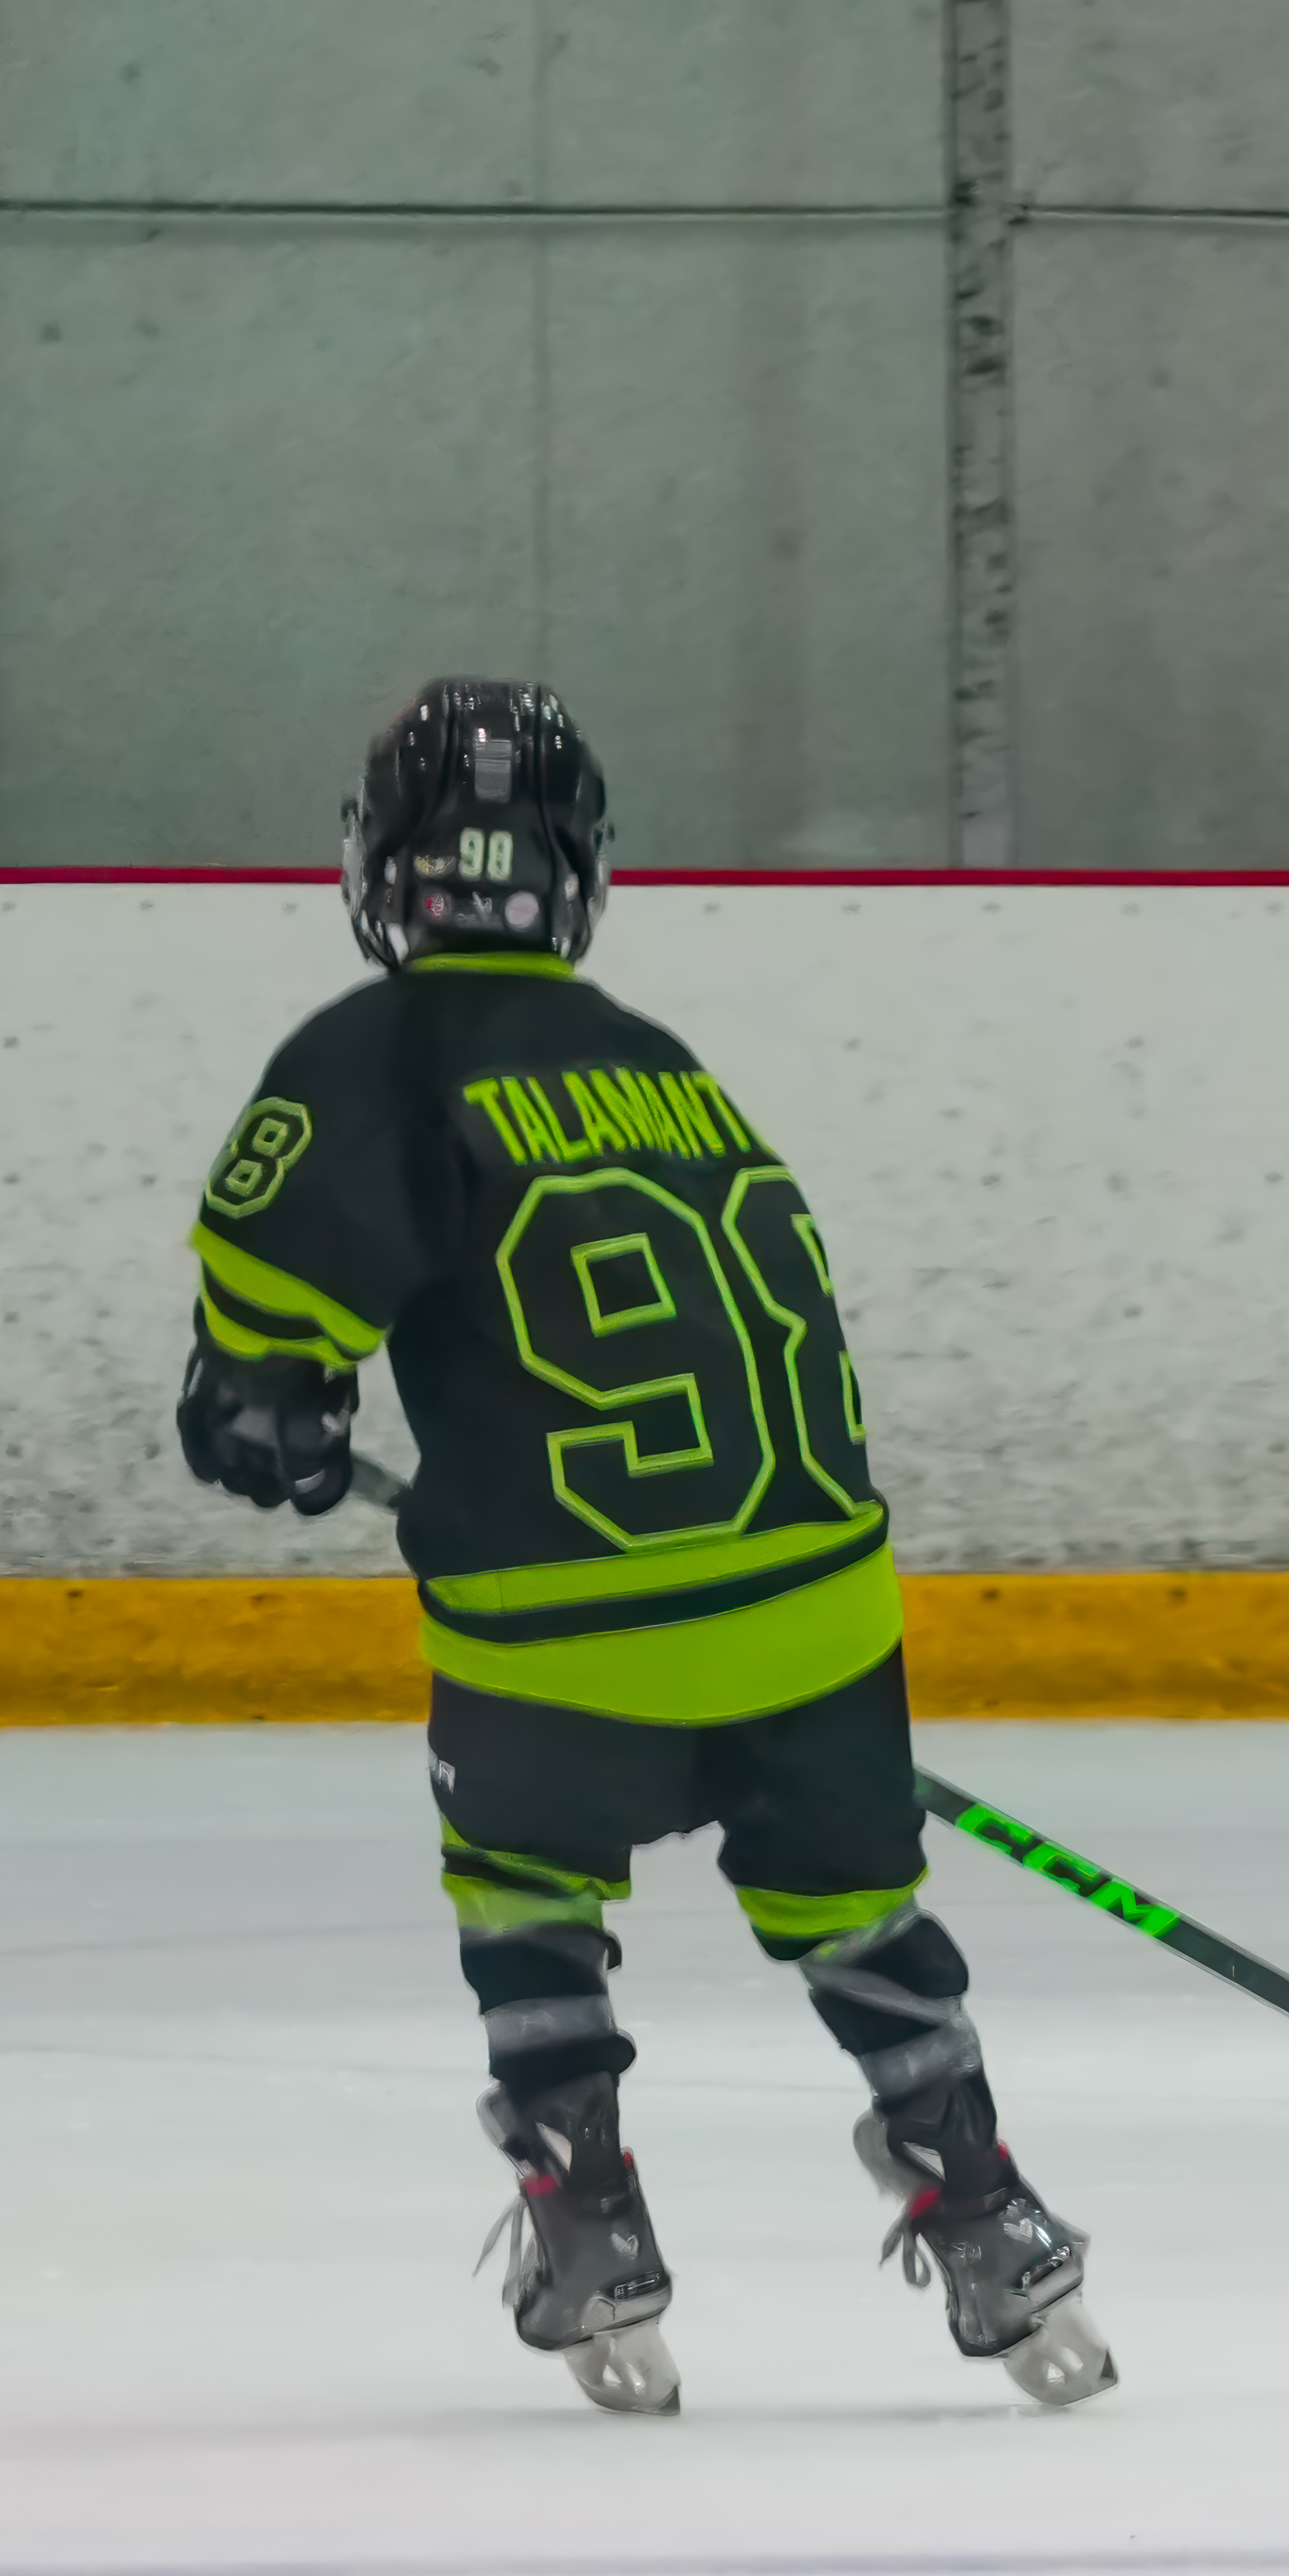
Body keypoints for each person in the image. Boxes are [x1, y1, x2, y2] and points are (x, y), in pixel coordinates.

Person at [174, 678, 1117, 2408]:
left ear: (384, 865)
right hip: (824, 1612)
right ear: (577, 872)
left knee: (525, 1888)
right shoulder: (661, 1066)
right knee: (856, 1909)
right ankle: (989, 2210)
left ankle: (590, 2219)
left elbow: (268, 1324)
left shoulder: (379, 1049)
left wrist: (267, 1403)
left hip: (565, 1635)